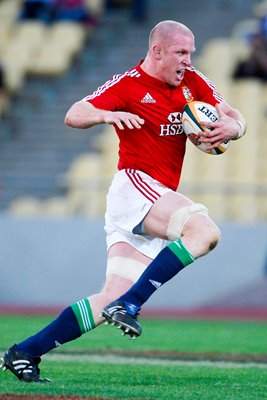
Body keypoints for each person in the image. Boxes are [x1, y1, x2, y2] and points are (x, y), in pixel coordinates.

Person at [1, 20, 246, 383]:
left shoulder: (193, 81)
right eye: (181, 52)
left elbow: (234, 117)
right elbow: (74, 113)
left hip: (153, 199)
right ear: (157, 51)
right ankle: (131, 304)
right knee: (204, 231)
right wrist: (107, 114)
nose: (188, 60)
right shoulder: (128, 84)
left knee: (107, 298)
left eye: (191, 52)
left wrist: (234, 129)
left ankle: (23, 352)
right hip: (135, 187)